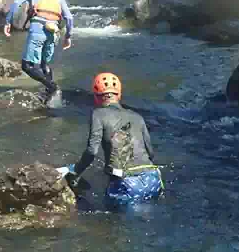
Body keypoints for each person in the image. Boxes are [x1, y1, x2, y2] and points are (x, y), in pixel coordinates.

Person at [57, 72, 163, 207]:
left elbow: (92, 151)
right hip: (153, 179)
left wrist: (75, 171)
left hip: (128, 185)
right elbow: (150, 153)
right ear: (119, 95)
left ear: (96, 97)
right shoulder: (137, 116)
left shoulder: (98, 114)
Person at [2, 0, 73, 100]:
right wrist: (68, 37)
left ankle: (52, 87)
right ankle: (50, 95)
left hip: (38, 29)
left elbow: (17, 3)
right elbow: (69, 18)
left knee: (27, 66)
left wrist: (8, 22)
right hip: (54, 32)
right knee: (44, 64)